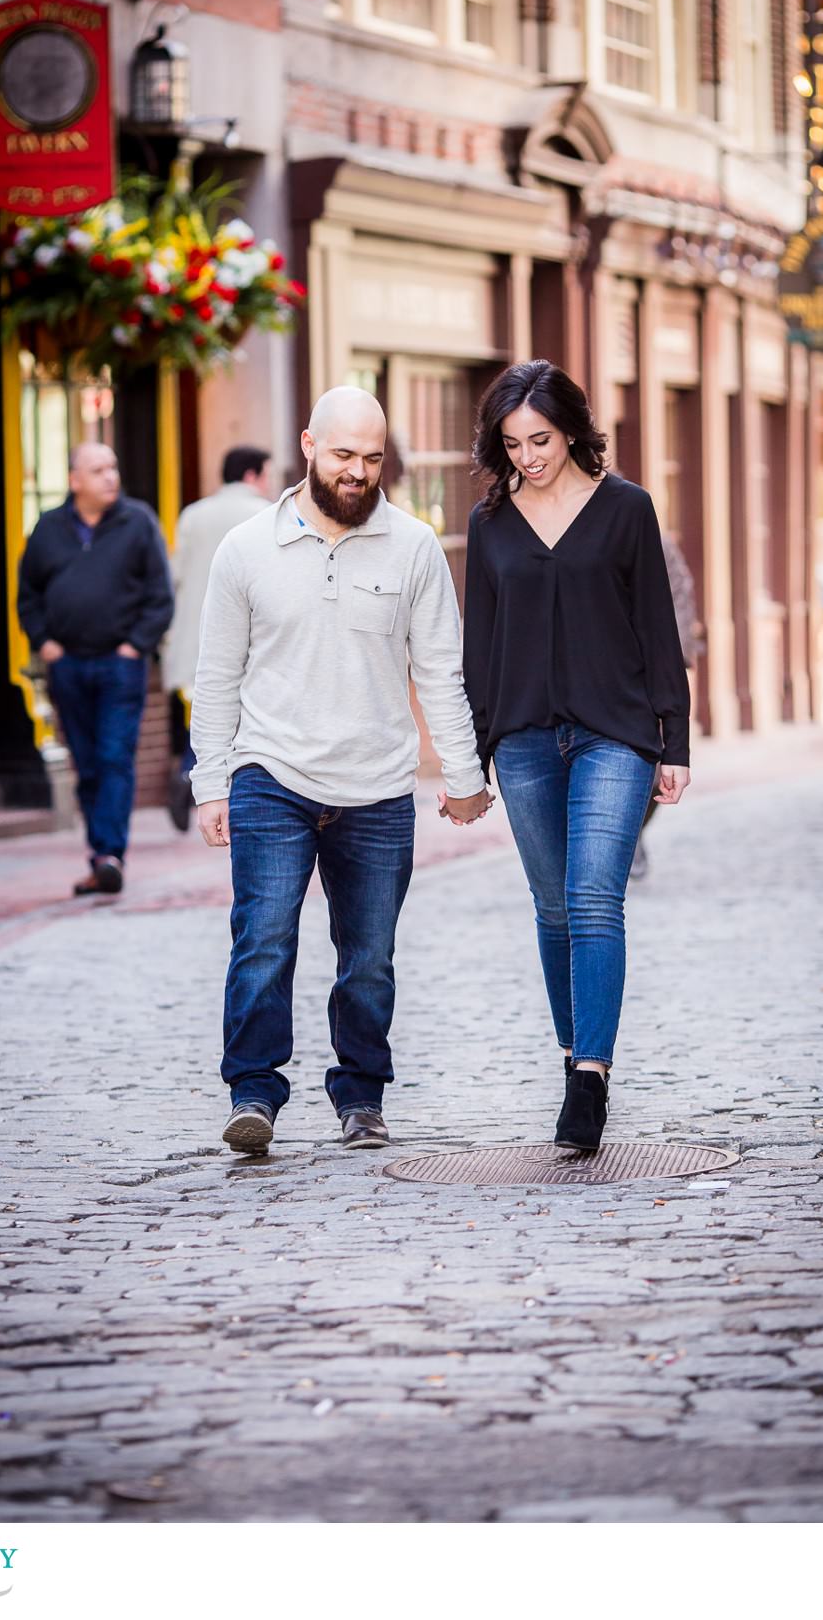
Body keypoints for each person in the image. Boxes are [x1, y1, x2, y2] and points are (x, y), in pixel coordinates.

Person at [190, 385, 492, 1154]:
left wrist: (462, 777)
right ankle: (252, 1093)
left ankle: (361, 1096)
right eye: (344, 455)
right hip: (271, 773)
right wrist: (210, 784)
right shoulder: (245, 550)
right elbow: (217, 675)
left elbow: (440, 673)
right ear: (308, 446)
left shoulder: (415, 547)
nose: (357, 472)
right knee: (262, 938)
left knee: (369, 958)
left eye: (371, 458)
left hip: (378, 786)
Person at [463, 360, 690, 1153]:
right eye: (513, 442)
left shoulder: (625, 509)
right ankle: (572, 1057)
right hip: (523, 739)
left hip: (614, 734)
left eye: (541, 439)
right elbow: (478, 647)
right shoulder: (489, 523)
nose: (528, 455)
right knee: (553, 907)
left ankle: (589, 1078)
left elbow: (658, 632)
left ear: (571, 432)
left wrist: (673, 740)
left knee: (594, 897)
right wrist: (472, 752)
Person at [17, 442, 174, 896]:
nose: (110, 476)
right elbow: (28, 594)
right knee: (86, 764)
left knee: (113, 756)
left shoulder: (138, 522)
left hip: (120, 664)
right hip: (67, 664)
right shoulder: (48, 528)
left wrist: (135, 646)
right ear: (74, 480)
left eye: (113, 466)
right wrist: (45, 643)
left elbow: (159, 596)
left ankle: (111, 854)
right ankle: (101, 854)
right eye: (98, 469)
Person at [160, 446, 275, 832]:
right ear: (252, 475)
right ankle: (197, 775)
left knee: (204, 709)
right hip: (244, 635)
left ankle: (187, 772)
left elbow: (176, 574)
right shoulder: (264, 514)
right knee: (239, 716)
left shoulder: (192, 515)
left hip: (193, 633)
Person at [629, 529, 703, 879]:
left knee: (651, 771)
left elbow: (680, 596)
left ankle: (631, 835)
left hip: (646, 677)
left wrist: (675, 656)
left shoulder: (646, 532)